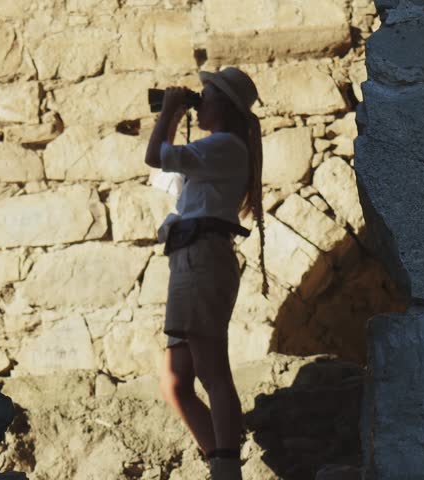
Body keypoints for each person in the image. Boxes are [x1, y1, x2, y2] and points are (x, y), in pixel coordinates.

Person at [144, 67, 268, 480]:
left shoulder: (226, 147)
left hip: (203, 260)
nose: (200, 101)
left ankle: (227, 469)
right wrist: (176, 115)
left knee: (213, 370)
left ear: (223, 106)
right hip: (189, 260)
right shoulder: (212, 150)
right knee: (175, 382)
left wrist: (171, 111)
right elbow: (162, 173)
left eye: (204, 96)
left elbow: (153, 154)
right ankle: (219, 461)